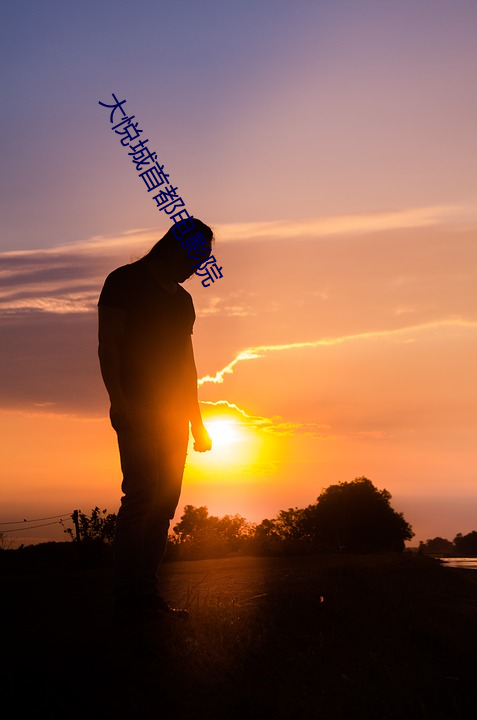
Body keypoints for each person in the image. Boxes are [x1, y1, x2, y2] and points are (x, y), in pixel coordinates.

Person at [98, 219, 213, 624]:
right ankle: (127, 598)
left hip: (173, 416)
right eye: (195, 257)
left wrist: (198, 422)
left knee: (163, 506)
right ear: (173, 248)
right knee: (141, 498)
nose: (197, 268)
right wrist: (118, 401)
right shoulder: (124, 281)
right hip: (137, 407)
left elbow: (187, 366)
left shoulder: (183, 301)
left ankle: (146, 595)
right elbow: (107, 346)